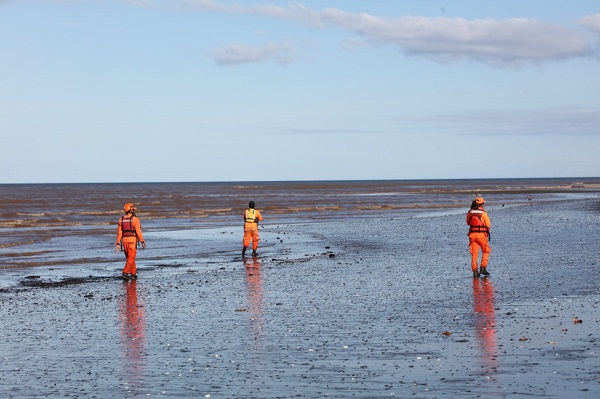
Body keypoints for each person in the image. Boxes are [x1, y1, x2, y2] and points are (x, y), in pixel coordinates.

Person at [116, 203, 146, 279]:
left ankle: (133, 274)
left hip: (124, 241)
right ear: (130, 210)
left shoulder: (121, 220)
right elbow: (138, 231)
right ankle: (125, 272)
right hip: (132, 240)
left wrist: (118, 243)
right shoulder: (135, 219)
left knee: (130, 258)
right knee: (131, 258)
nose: (133, 211)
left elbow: (119, 233)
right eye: (133, 209)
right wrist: (142, 241)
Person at [466, 196, 491, 277]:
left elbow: (468, 223)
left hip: (472, 235)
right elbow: (488, 224)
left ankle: (475, 271)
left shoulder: (469, 212)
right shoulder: (483, 213)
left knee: (474, 253)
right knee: (486, 251)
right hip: (481, 235)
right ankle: (483, 268)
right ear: (482, 204)